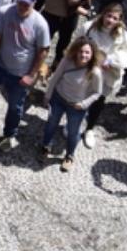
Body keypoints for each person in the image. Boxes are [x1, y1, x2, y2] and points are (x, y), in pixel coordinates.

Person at [0, 0, 51, 149]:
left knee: (15, 108)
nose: (22, 7)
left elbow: (43, 51)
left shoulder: (40, 24)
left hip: (20, 75)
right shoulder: (5, 12)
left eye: (26, 5)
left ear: (34, 4)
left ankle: (9, 134)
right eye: (20, 3)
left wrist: (31, 75)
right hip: (0, 66)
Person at [39, 38, 105, 172]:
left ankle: (69, 156)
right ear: (75, 51)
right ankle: (46, 145)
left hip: (77, 106)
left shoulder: (95, 71)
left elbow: (97, 93)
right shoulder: (67, 61)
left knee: (73, 132)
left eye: (87, 52)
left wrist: (84, 104)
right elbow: (55, 78)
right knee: (51, 123)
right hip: (58, 99)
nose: (84, 55)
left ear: (92, 54)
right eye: (81, 51)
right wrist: (47, 96)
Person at [77, 3, 127, 150]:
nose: (110, 20)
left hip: (106, 76)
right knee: (80, 98)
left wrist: (114, 61)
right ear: (103, 14)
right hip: (87, 71)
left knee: (97, 102)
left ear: (119, 19)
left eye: (114, 18)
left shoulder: (122, 34)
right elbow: (76, 45)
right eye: (108, 16)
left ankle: (89, 128)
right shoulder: (89, 27)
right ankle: (74, 124)